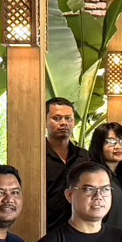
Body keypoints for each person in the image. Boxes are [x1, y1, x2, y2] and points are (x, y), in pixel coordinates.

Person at [44, 98, 86, 231]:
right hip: (45, 231)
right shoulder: (36, 157)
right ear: (44, 121)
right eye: (56, 118)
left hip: (80, 232)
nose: (63, 123)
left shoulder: (86, 158)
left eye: (68, 118)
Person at [86, 122, 122, 236]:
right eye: (112, 142)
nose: (118, 146)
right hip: (102, 240)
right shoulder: (91, 176)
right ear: (99, 145)